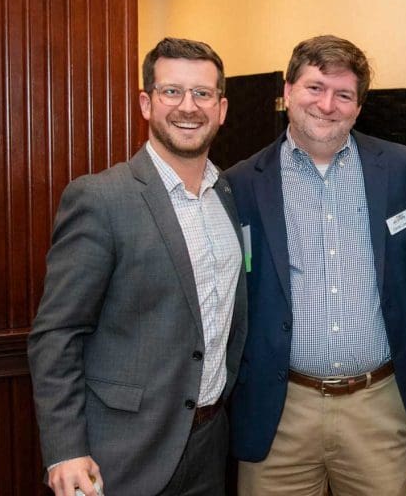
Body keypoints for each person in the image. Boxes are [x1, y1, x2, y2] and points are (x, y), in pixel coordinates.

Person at [28, 37, 247, 495]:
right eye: (172, 91)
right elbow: (57, 333)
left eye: (202, 94)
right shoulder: (101, 198)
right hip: (124, 451)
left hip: (209, 441)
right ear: (146, 103)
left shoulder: (226, 194)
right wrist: (65, 449)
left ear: (222, 109)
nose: (188, 107)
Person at [226, 35, 406, 495]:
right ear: (287, 92)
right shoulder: (239, 183)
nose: (328, 105)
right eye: (315, 88)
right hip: (280, 410)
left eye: (344, 94)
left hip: (379, 408)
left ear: (359, 107)